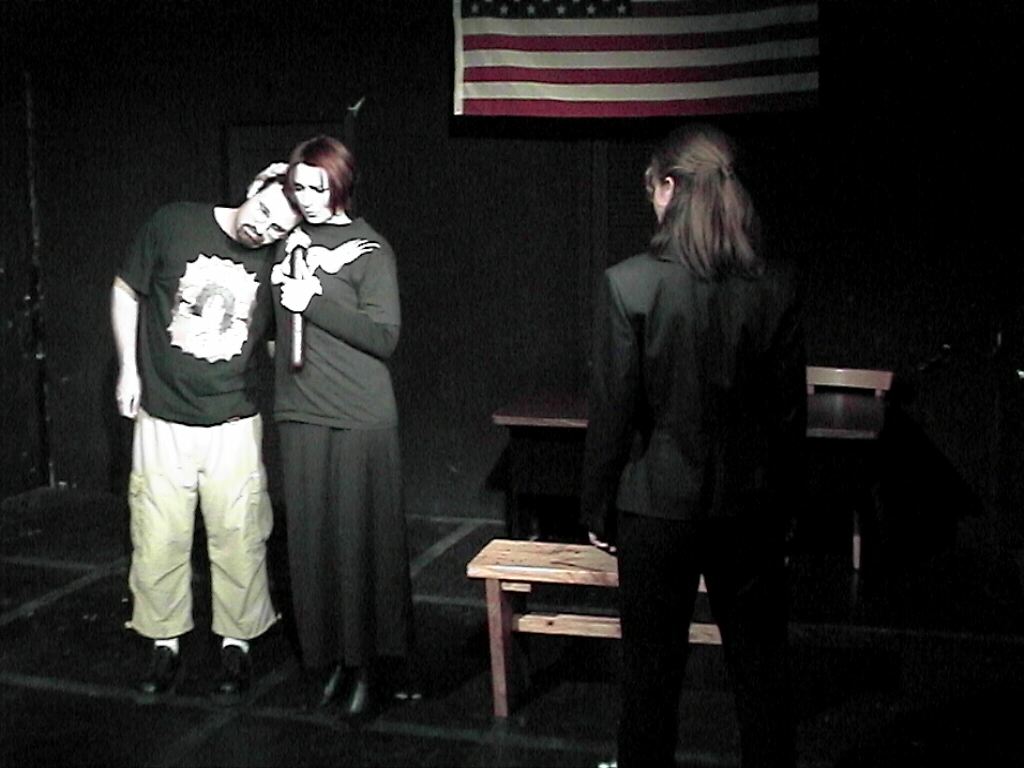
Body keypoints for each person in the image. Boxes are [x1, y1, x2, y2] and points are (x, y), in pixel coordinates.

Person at [579, 125, 806, 768]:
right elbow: (788, 417)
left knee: (649, 687)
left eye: (653, 189)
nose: (652, 202)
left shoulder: (629, 285)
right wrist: (788, 510)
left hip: (655, 510)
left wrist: (596, 507)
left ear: (671, 187)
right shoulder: (776, 286)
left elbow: (613, 413)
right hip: (750, 510)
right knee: (762, 683)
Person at [111, 176, 301, 701]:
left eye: (278, 228)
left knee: (240, 533)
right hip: (163, 416)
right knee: (157, 532)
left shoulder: (277, 261)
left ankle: (237, 643)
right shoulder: (175, 221)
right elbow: (126, 289)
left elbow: (278, 340)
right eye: (265, 210)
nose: (263, 228)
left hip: (233, 421)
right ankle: (163, 641)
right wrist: (128, 369)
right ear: (255, 187)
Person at [268, 135, 414, 718]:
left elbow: (385, 336)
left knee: (358, 544)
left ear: (341, 185)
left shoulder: (370, 249)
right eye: (298, 186)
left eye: (318, 186)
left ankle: (367, 664)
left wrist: (314, 301)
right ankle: (330, 657)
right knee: (312, 546)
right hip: (300, 410)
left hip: (358, 413)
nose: (306, 197)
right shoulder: (287, 240)